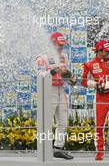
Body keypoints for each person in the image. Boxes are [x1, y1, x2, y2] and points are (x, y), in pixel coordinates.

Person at [36, 32, 74, 160]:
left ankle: (58, 149)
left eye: (63, 45)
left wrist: (71, 78)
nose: (61, 48)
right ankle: (44, 148)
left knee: (63, 121)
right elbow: (40, 75)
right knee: (47, 120)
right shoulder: (43, 57)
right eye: (59, 45)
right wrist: (54, 70)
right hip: (48, 89)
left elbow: (64, 74)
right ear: (52, 43)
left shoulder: (64, 56)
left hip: (61, 89)